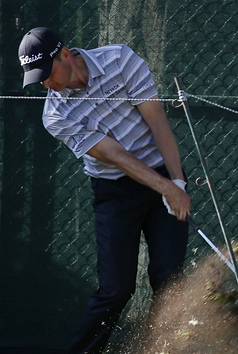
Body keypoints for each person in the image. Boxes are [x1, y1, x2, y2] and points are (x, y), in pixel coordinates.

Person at [18, 27, 191, 353]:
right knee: (115, 289)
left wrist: (178, 182)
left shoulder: (119, 59)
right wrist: (167, 187)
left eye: (46, 73)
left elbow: (158, 123)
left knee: (168, 279)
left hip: (162, 171)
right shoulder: (54, 114)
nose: (44, 83)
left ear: (65, 54)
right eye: (37, 78)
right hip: (115, 192)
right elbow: (115, 155)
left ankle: (161, 349)